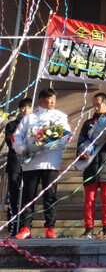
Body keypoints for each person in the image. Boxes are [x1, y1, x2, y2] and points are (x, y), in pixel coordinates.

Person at [12, 87, 70, 239]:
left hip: (51, 161)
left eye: (54, 99)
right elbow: (16, 137)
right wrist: (23, 149)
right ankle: (25, 227)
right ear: (41, 100)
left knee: (50, 195)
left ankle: (50, 227)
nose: (52, 102)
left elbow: (66, 137)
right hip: (31, 162)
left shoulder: (60, 117)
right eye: (49, 99)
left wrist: (52, 141)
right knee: (28, 195)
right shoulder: (29, 118)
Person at [77, 93, 106, 238]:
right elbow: (81, 142)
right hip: (90, 165)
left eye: (98, 104)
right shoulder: (88, 123)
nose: (95, 107)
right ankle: (89, 228)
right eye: (94, 104)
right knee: (89, 199)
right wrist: (81, 152)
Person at [4, 98, 32, 235]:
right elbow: (10, 141)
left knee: (27, 196)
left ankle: (25, 227)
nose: (25, 110)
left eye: (28, 107)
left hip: (30, 163)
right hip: (15, 163)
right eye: (23, 107)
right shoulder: (11, 125)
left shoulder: (34, 124)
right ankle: (13, 227)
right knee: (13, 196)